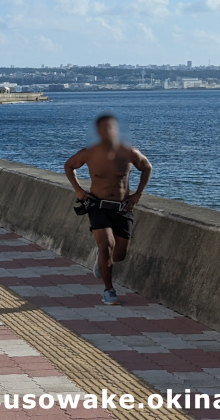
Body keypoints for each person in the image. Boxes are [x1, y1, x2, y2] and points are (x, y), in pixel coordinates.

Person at [64, 114, 152, 306]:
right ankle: (109, 291)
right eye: (103, 129)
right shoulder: (89, 153)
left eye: (111, 128)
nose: (108, 132)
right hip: (98, 207)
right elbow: (69, 166)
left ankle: (101, 260)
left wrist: (137, 194)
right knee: (106, 245)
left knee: (119, 254)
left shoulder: (129, 153)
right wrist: (79, 190)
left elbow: (146, 167)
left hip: (123, 208)